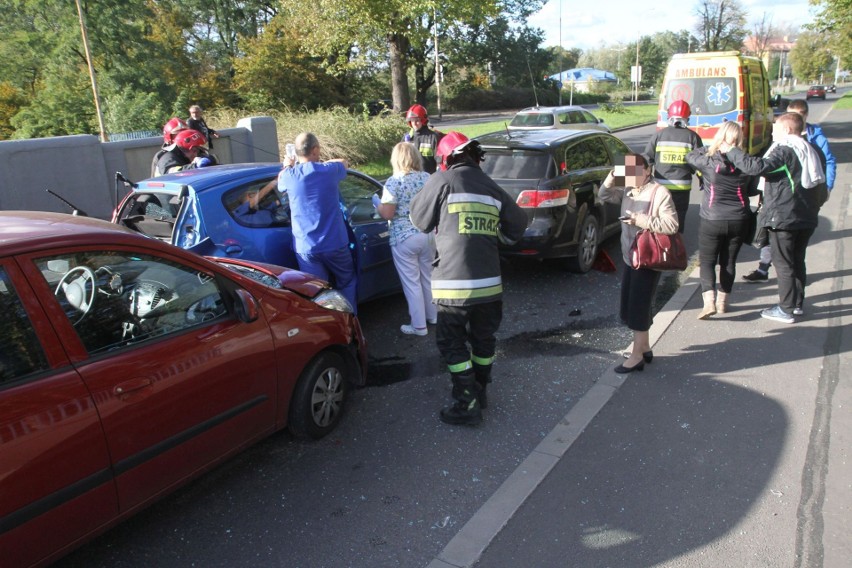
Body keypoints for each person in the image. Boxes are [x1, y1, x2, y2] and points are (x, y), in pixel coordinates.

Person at [409, 131, 527, 426]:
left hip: (453, 286)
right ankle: (480, 391)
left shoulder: (443, 180)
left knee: (452, 343)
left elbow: (419, 221)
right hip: (490, 285)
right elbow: (518, 226)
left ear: (446, 159)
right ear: (477, 158)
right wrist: (492, 234)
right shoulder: (493, 188)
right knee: (483, 340)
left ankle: (467, 402)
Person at [723, 112, 825, 323]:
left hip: (785, 217)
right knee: (797, 261)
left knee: (784, 263)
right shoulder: (812, 150)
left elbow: (757, 167)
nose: (772, 133)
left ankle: (786, 309)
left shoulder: (785, 150)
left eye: (775, 129)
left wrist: (730, 151)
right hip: (806, 216)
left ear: (787, 130)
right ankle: (796, 304)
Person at [742, 98, 836, 283]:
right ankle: (765, 270)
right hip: (782, 199)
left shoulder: (814, 139)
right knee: (776, 243)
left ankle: (789, 304)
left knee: (787, 257)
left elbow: (827, 162)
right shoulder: (783, 143)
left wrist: (827, 189)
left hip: (798, 200)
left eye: (797, 116)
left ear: (803, 117)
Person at [600, 153, 678, 373]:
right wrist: (613, 176)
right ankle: (644, 347)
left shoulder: (659, 192)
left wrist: (638, 220)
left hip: (648, 258)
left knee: (638, 306)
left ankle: (636, 357)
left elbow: (671, 225)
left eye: (634, 171)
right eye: (627, 171)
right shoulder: (628, 189)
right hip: (630, 257)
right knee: (630, 304)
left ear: (647, 170)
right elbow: (604, 194)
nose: (631, 176)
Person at [278, 132, 357, 311]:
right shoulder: (329, 171)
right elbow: (344, 162)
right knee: (347, 281)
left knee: (316, 290)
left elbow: (280, 180)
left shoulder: (289, 176)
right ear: (314, 149)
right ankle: (350, 321)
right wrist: (323, 162)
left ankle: (327, 323)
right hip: (335, 243)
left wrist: (287, 165)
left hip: (306, 247)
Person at [686, 122, 758, 319]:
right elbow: (752, 190)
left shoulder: (709, 162)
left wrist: (711, 145)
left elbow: (690, 156)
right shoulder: (746, 163)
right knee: (729, 262)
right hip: (739, 219)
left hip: (712, 218)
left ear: (721, 138)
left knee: (708, 261)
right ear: (739, 140)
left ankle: (709, 302)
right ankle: (723, 302)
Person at [375, 142, 437, 336]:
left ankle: (419, 326)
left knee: (412, 283)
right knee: (428, 277)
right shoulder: (427, 178)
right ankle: (433, 316)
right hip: (428, 234)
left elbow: (387, 213)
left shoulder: (394, 182)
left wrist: (377, 204)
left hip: (404, 236)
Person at [642, 100, 703, 233]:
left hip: (660, 188)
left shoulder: (659, 135)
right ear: (687, 117)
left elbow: (646, 159)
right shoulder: (693, 137)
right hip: (682, 189)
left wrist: (635, 181)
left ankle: (661, 248)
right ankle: (676, 249)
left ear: (669, 116)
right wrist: (703, 180)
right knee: (677, 223)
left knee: (659, 220)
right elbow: (700, 164)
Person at [403, 104, 443, 174]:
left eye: (417, 120)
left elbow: (440, 163)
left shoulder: (433, 137)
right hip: (412, 178)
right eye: (412, 120)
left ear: (423, 120)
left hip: (430, 179)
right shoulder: (407, 138)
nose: (414, 123)